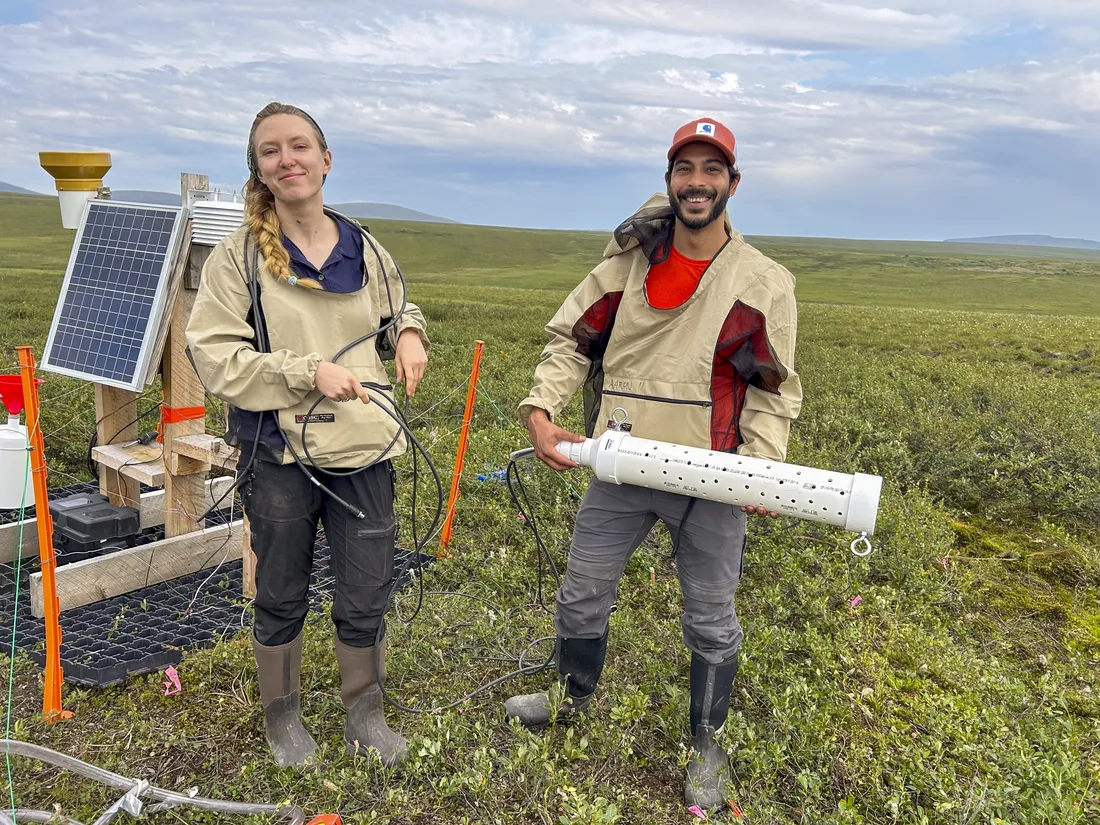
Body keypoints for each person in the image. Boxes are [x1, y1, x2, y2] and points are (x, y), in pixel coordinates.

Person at [504, 118, 802, 812]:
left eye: (711, 169)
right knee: (582, 591)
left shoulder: (763, 281)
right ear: (669, 179)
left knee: (710, 615)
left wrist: (760, 465)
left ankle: (707, 741)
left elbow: (772, 388)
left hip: (710, 477)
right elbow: (571, 343)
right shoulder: (627, 264)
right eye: (685, 169)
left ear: (733, 182)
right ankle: (571, 697)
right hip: (621, 466)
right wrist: (540, 409)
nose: (697, 182)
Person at [185, 102, 429, 770]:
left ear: (326, 159)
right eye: (271, 151)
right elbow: (215, 356)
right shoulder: (236, 260)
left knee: (367, 585)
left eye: (299, 146)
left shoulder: (364, 244)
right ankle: (283, 718)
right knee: (282, 588)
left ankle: (365, 713)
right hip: (280, 453)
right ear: (259, 170)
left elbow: (397, 303)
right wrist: (306, 371)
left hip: (364, 445)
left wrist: (408, 333)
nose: (286, 159)